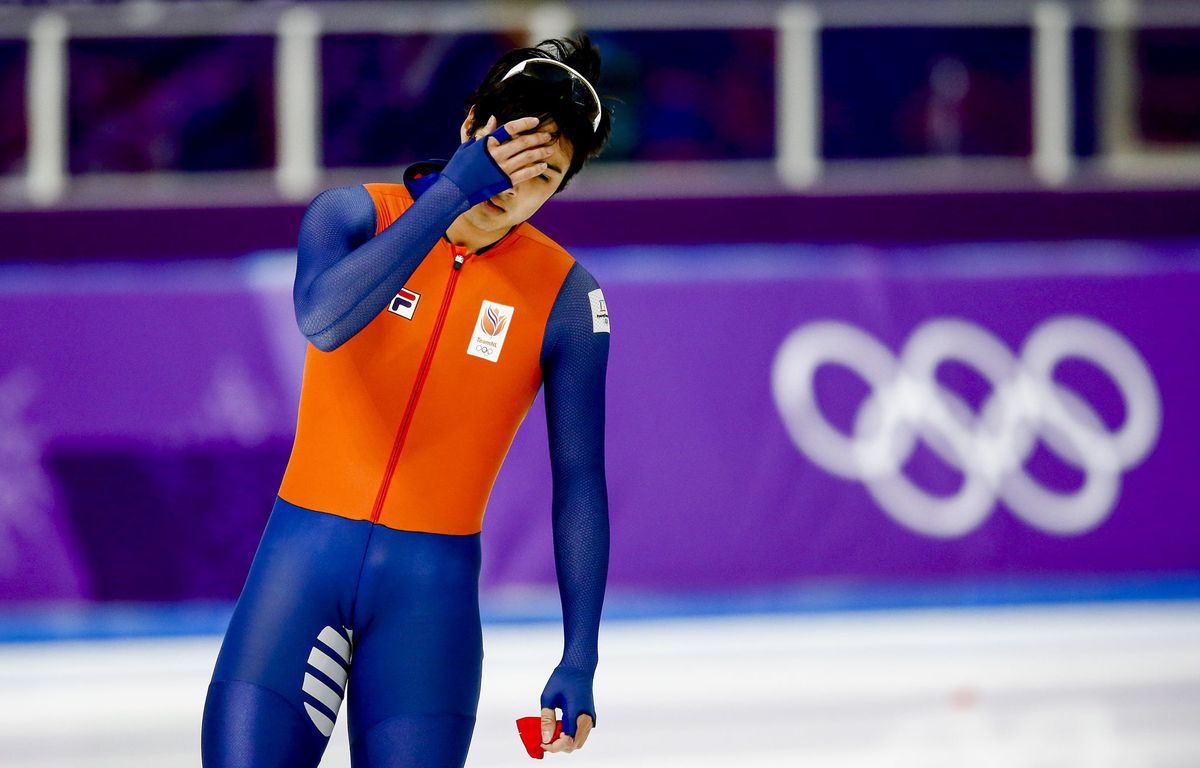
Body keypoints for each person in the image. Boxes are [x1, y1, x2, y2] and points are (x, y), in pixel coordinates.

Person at [201, 34, 613, 768]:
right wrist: (454, 191)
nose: (518, 183)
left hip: (429, 604)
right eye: (509, 148)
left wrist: (579, 656)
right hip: (299, 573)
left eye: (545, 173)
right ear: (469, 127)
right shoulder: (352, 216)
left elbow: (579, 482)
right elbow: (324, 321)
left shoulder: (569, 301)